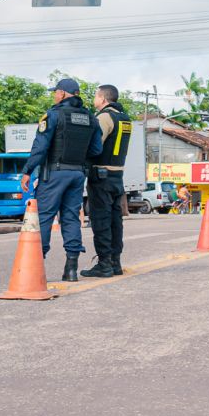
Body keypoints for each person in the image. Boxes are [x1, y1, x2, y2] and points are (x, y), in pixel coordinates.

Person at [21, 78, 102, 282]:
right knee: (71, 218)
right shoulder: (91, 118)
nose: (54, 95)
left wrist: (28, 171)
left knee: (44, 216)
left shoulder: (53, 115)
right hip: (77, 174)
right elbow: (96, 150)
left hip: (54, 174)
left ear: (63, 93)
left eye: (56, 92)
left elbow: (40, 147)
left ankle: (35, 268)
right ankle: (71, 269)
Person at [81, 84, 133, 278]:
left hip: (101, 176)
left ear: (102, 98)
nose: (94, 99)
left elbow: (94, 145)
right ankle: (115, 263)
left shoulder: (104, 117)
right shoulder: (125, 119)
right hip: (117, 176)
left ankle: (104, 265)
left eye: (96, 96)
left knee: (101, 221)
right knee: (115, 221)